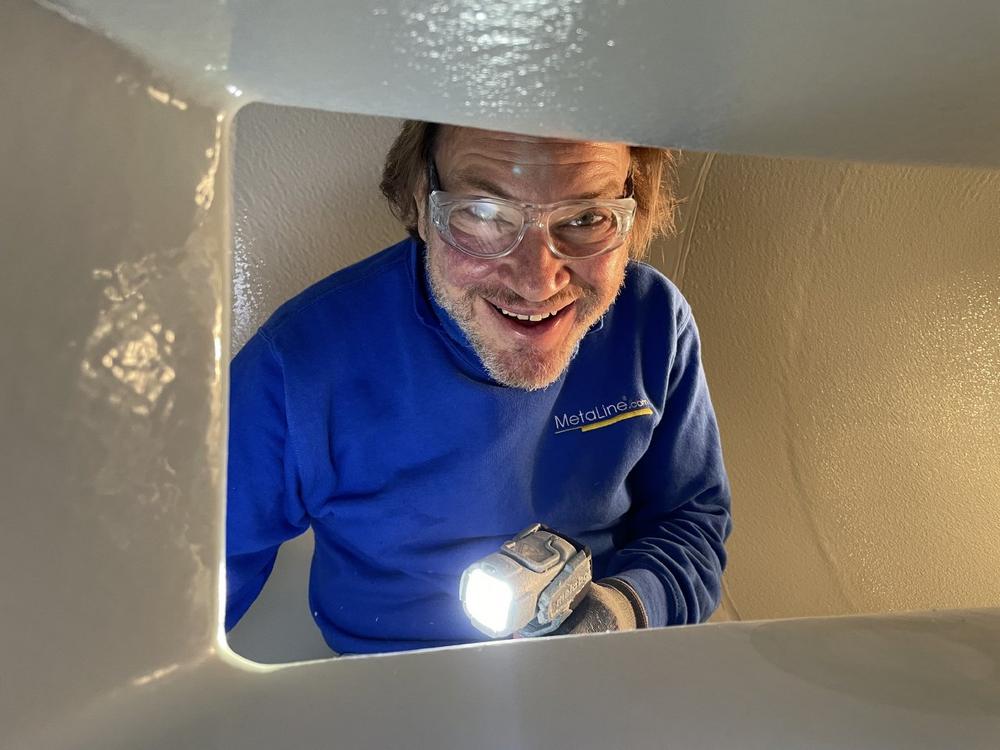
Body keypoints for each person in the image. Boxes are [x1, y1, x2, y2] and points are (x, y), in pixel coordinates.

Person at [226, 121, 732, 655]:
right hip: (386, 683)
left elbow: (691, 518)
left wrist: (621, 612)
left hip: (605, 669)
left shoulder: (654, 323)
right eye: (485, 213)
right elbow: (184, 587)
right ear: (422, 200)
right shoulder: (300, 365)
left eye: (586, 218)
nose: (536, 283)